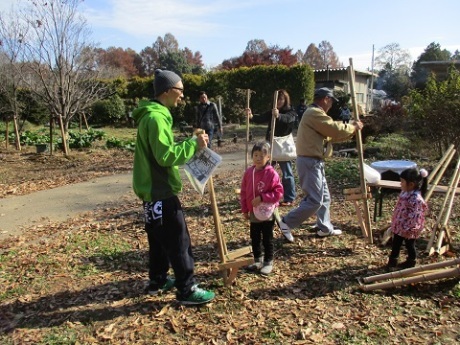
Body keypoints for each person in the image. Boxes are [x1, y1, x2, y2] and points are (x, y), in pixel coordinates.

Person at [132, 69, 215, 305]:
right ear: (167, 91)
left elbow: (160, 151)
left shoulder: (150, 116)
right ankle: (186, 289)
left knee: (158, 238)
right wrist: (192, 144)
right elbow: (165, 156)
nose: (182, 96)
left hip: (150, 193)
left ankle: (157, 280)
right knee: (179, 240)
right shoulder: (157, 118)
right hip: (161, 191)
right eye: (180, 91)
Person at [278, 87, 363, 242]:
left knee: (324, 197)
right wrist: (353, 127)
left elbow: (331, 135)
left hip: (314, 161)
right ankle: (286, 222)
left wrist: (350, 130)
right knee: (315, 200)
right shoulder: (314, 113)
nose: (331, 105)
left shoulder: (316, 115)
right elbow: (334, 128)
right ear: (325, 99)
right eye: (331, 101)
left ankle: (324, 227)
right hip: (310, 162)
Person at [247, 89, 298, 206]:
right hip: (271, 145)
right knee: (267, 171)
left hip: (283, 146)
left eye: (281, 99)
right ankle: (267, 195)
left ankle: (289, 197)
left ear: (285, 100)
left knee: (287, 173)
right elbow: (261, 118)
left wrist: (279, 116)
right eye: (277, 99)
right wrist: (251, 116)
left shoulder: (291, 112)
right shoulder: (272, 111)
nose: (279, 102)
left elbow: (289, 119)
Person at [240, 142, 284, 275]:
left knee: (267, 237)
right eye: (255, 155)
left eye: (261, 155)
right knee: (254, 236)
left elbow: (279, 192)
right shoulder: (249, 173)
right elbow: (243, 192)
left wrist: (263, 197)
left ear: (268, 157)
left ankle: (268, 261)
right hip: (254, 212)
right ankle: (257, 260)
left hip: (268, 212)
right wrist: (245, 209)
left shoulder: (272, 174)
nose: (258, 158)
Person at [387, 168, 429, 272]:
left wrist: (407, 228)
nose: (400, 184)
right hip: (400, 225)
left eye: (402, 181)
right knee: (396, 243)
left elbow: (415, 216)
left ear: (411, 184)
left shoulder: (416, 199)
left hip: (409, 228)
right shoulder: (405, 193)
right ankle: (392, 262)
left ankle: (411, 261)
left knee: (409, 244)